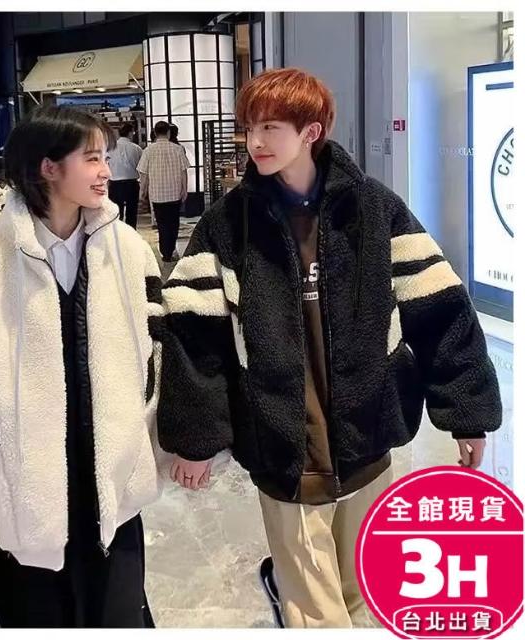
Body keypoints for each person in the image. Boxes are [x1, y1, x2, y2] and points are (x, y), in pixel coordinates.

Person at [156, 68, 502, 628]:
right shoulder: (227, 224)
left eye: (270, 127)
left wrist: (468, 414)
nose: (255, 141)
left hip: (367, 428)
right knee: (317, 610)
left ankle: (291, 588)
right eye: (250, 128)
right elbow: (194, 335)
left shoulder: (375, 210)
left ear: (311, 132)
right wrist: (196, 439)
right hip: (279, 437)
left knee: (359, 583)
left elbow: (439, 309)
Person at [0, 105, 168, 628]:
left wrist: (176, 446)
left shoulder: (128, 252)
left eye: (105, 157)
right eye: (91, 158)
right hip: (25, 516)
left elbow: (158, 362)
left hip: (114, 509)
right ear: (48, 168)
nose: (105, 171)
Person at [137, 121, 189, 263]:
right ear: (168, 132)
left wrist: (142, 191)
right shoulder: (178, 149)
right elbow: (184, 172)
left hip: (157, 194)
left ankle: (165, 252)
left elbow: (143, 174)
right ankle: (170, 249)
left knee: (162, 224)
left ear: (155, 132)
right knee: (174, 223)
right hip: (175, 193)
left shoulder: (148, 150)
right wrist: (185, 189)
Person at [108, 122, 143, 229]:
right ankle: (130, 233)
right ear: (130, 133)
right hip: (131, 184)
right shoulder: (136, 148)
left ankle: (117, 234)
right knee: (132, 213)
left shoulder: (110, 148)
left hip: (115, 184)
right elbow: (141, 167)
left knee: (116, 213)